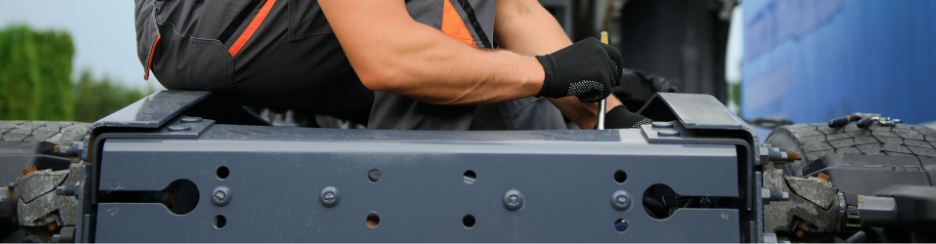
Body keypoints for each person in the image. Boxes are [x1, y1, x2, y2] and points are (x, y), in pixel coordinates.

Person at [135, 0, 651, 130]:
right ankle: (402, 209)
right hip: (194, 20)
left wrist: (608, 118)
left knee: (499, 88)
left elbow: (513, 9)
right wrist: (545, 74)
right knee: (464, 55)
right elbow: (390, 57)